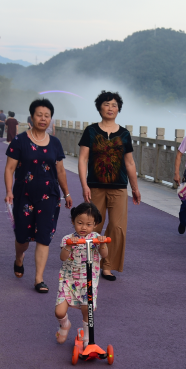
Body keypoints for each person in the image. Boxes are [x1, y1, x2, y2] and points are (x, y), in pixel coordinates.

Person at [4, 98, 73, 293]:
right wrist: (9, 191)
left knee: (44, 236)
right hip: (23, 194)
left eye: (47, 116)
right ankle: (19, 257)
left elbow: (60, 171)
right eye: (39, 115)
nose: (43, 119)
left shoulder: (55, 143)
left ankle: (39, 279)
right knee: (22, 238)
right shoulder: (20, 141)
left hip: (49, 195)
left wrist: (66, 193)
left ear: (51, 119)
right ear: (32, 117)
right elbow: (9, 169)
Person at [78, 90, 141, 282]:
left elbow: (129, 162)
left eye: (114, 105)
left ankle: (107, 266)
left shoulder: (124, 134)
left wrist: (135, 188)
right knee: (93, 225)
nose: (110, 108)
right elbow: (83, 159)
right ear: (99, 108)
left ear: (118, 109)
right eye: (106, 104)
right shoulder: (90, 131)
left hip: (119, 187)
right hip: (95, 186)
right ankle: (90, 262)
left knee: (117, 227)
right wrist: (84, 185)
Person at [55, 203, 108, 347]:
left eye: (88, 224)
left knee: (87, 309)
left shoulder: (96, 238)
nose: (84, 227)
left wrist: (103, 244)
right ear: (73, 221)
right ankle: (65, 325)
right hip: (68, 280)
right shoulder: (68, 238)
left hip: (88, 280)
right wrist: (69, 245)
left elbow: (104, 255)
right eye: (80, 223)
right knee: (59, 312)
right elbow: (63, 257)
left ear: (95, 224)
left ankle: (87, 338)